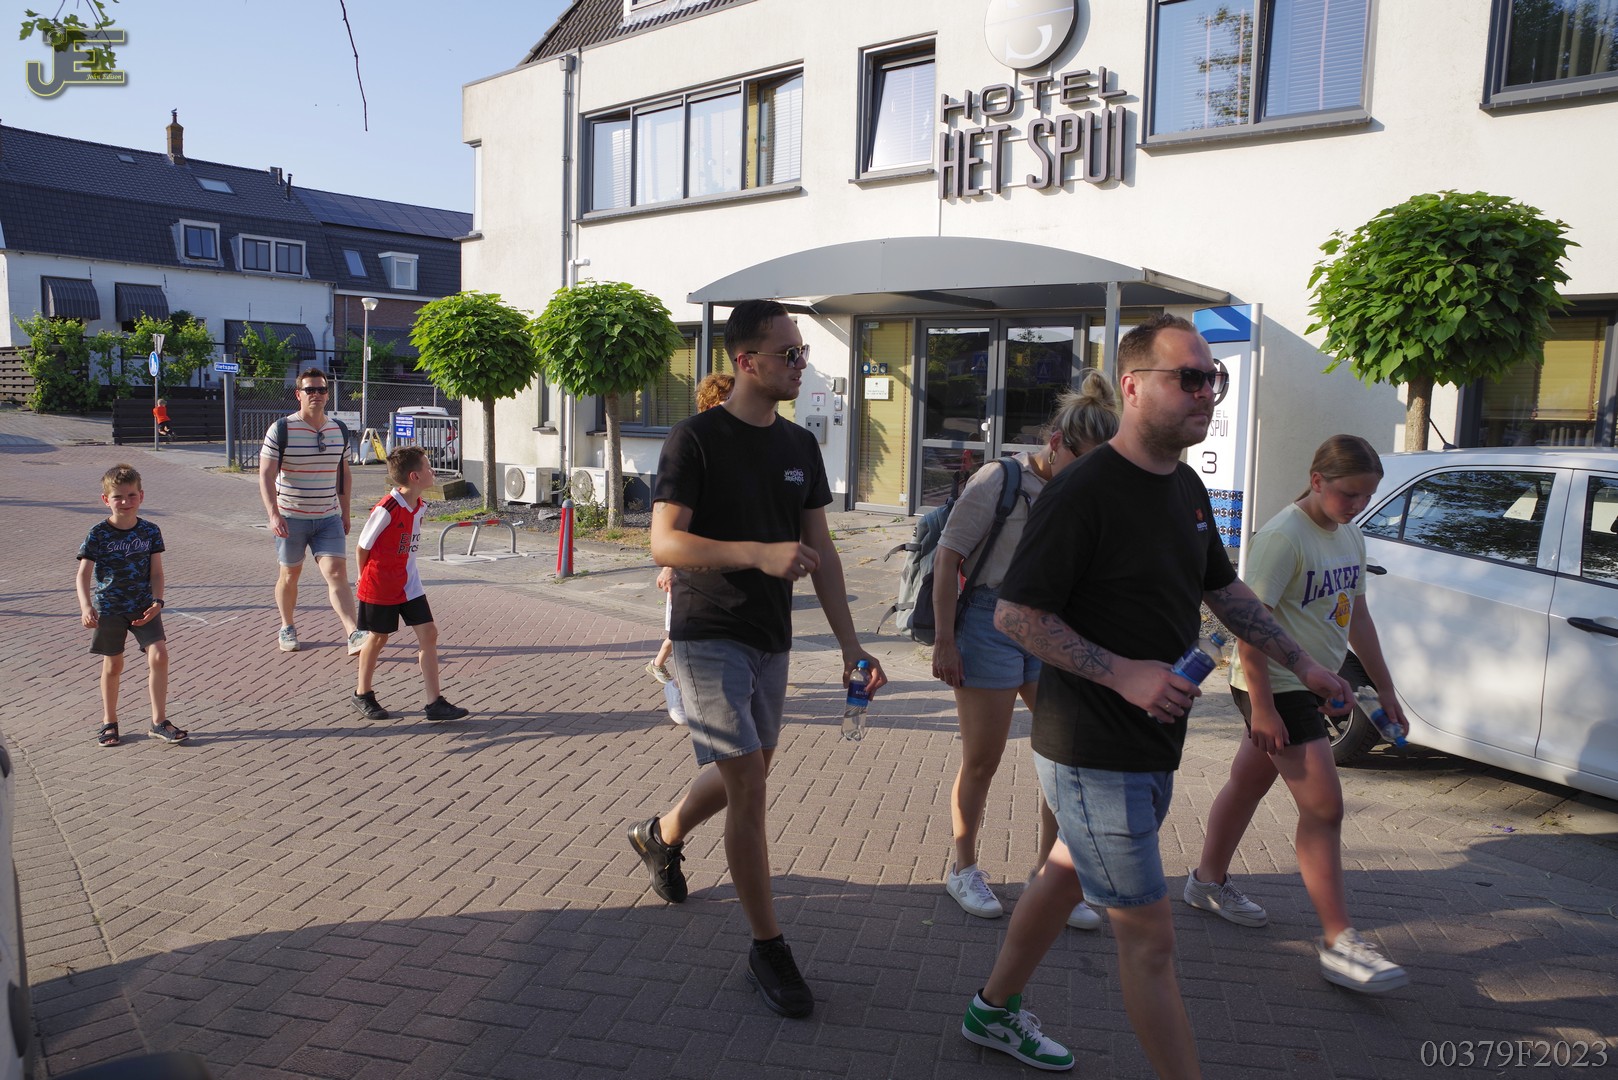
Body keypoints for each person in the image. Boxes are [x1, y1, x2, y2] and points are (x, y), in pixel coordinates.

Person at [959, 315, 1354, 1077]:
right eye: (1190, 378)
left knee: (1063, 874)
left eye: (1214, 379)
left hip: (1149, 742)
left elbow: (1225, 591)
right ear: (1134, 387)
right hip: (1092, 746)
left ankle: (992, 1009)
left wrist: (1303, 663)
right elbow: (1015, 615)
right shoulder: (1083, 492)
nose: (1207, 393)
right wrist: (1123, 672)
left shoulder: (1184, 486)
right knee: (1149, 940)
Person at [626, 301, 887, 1020]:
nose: (801, 363)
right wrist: (757, 554)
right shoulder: (695, 438)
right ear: (747, 361)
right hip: (708, 632)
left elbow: (821, 548)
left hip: (773, 637)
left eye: (802, 352)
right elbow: (664, 542)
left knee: (752, 769)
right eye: (789, 353)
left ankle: (659, 834)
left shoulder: (799, 445)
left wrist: (852, 647)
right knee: (749, 785)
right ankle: (767, 946)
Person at [1186, 434, 1409, 993]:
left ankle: (1206, 882)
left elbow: (1358, 618)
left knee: (1247, 783)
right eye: (1348, 493)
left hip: (1311, 684)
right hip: (1274, 684)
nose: (1357, 505)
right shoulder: (1283, 537)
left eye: (1366, 496)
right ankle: (1339, 941)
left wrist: (1385, 689)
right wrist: (1262, 707)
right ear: (1317, 480)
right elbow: (1248, 627)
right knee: (1324, 807)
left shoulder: (1350, 535)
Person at [932, 372, 1119, 931]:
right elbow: (948, 557)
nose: (1091, 474)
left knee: (1065, 757)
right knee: (983, 759)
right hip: (987, 624)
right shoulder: (999, 479)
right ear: (1056, 442)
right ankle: (963, 868)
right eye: (1084, 460)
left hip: (1049, 625)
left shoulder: (1081, 490)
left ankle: (1049, 878)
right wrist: (945, 639)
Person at [350, 446, 470, 724]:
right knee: (378, 638)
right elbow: (362, 547)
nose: (433, 471)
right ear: (415, 476)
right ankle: (362, 694)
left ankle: (434, 703)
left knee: (429, 633)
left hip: (409, 583)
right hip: (380, 584)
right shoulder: (387, 508)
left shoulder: (419, 505)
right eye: (428, 467)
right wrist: (361, 575)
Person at [76, 464, 186, 747]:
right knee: (113, 664)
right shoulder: (98, 533)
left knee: (159, 655)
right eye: (118, 497)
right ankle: (109, 721)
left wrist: (158, 601)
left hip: (144, 606)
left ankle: (159, 722)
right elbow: (83, 574)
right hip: (110, 608)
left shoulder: (150, 531)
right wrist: (86, 606)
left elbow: (157, 573)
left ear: (141, 496)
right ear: (106, 499)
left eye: (131, 495)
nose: (125, 502)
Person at [258, 368, 366, 656]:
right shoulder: (281, 429)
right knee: (290, 574)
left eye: (321, 389)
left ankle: (353, 632)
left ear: (328, 394)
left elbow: (343, 474)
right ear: (299, 394)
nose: (316, 394)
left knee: (336, 572)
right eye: (310, 390)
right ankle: (287, 626)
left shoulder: (338, 430)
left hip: (328, 517)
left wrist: (345, 512)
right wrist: (273, 514)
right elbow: (266, 475)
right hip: (291, 517)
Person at [646, 372, 734, 689]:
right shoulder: (689, 443)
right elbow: (674, 524)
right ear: (711, 405)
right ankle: (670, 677)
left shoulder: (735, 447)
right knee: (684, 633)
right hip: (692, 575)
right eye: (728, 401)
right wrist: (669, 567)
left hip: (725, 575)